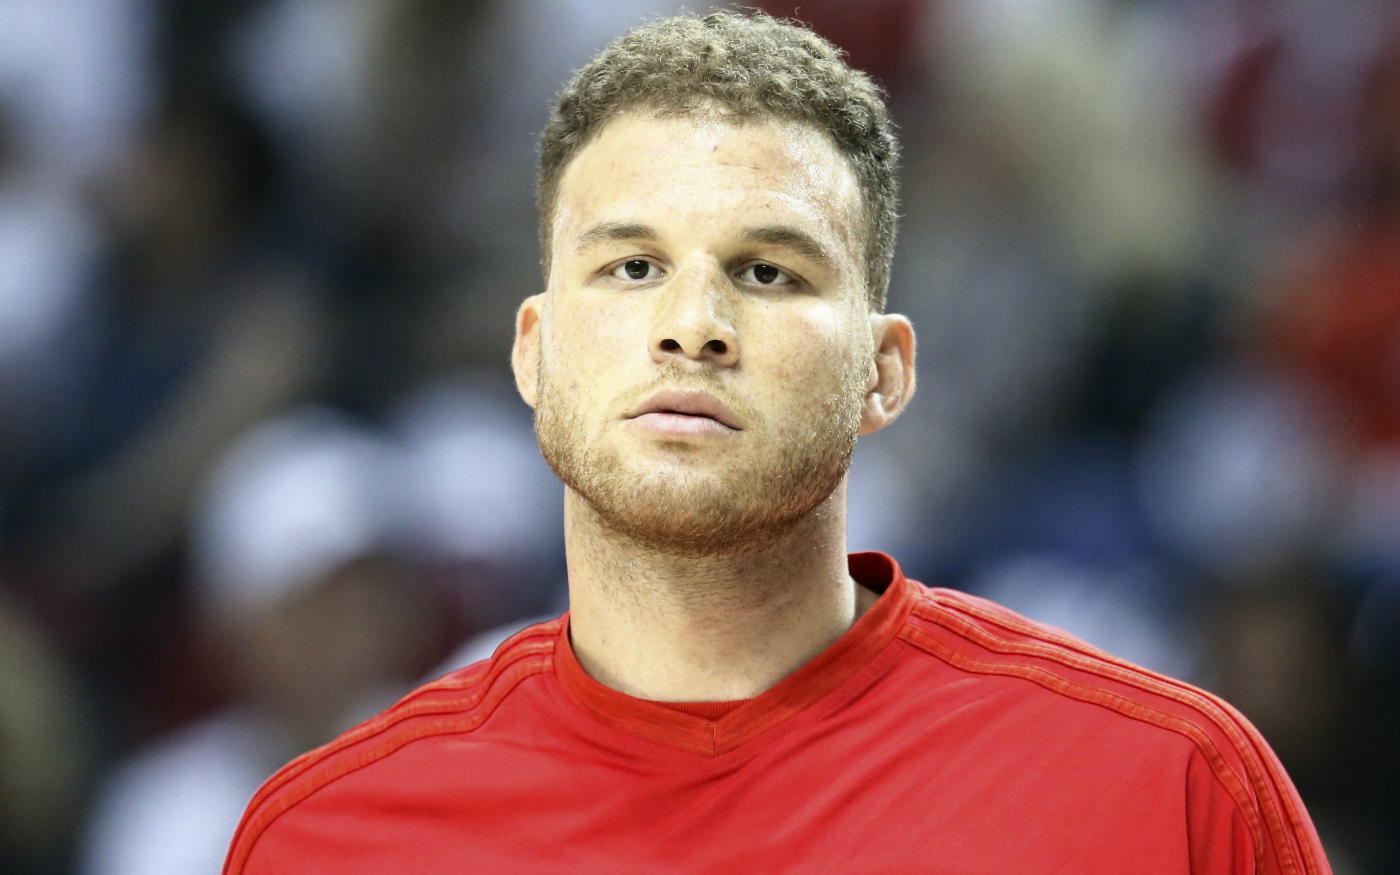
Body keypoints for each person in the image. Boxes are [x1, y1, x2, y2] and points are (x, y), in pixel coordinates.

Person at [222, 12, 1330, 874]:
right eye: (631, 266)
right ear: (533, 353)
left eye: (768, 271)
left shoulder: (1165, 785)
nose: (692, 324)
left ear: (882, 372)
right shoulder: (331, 836)